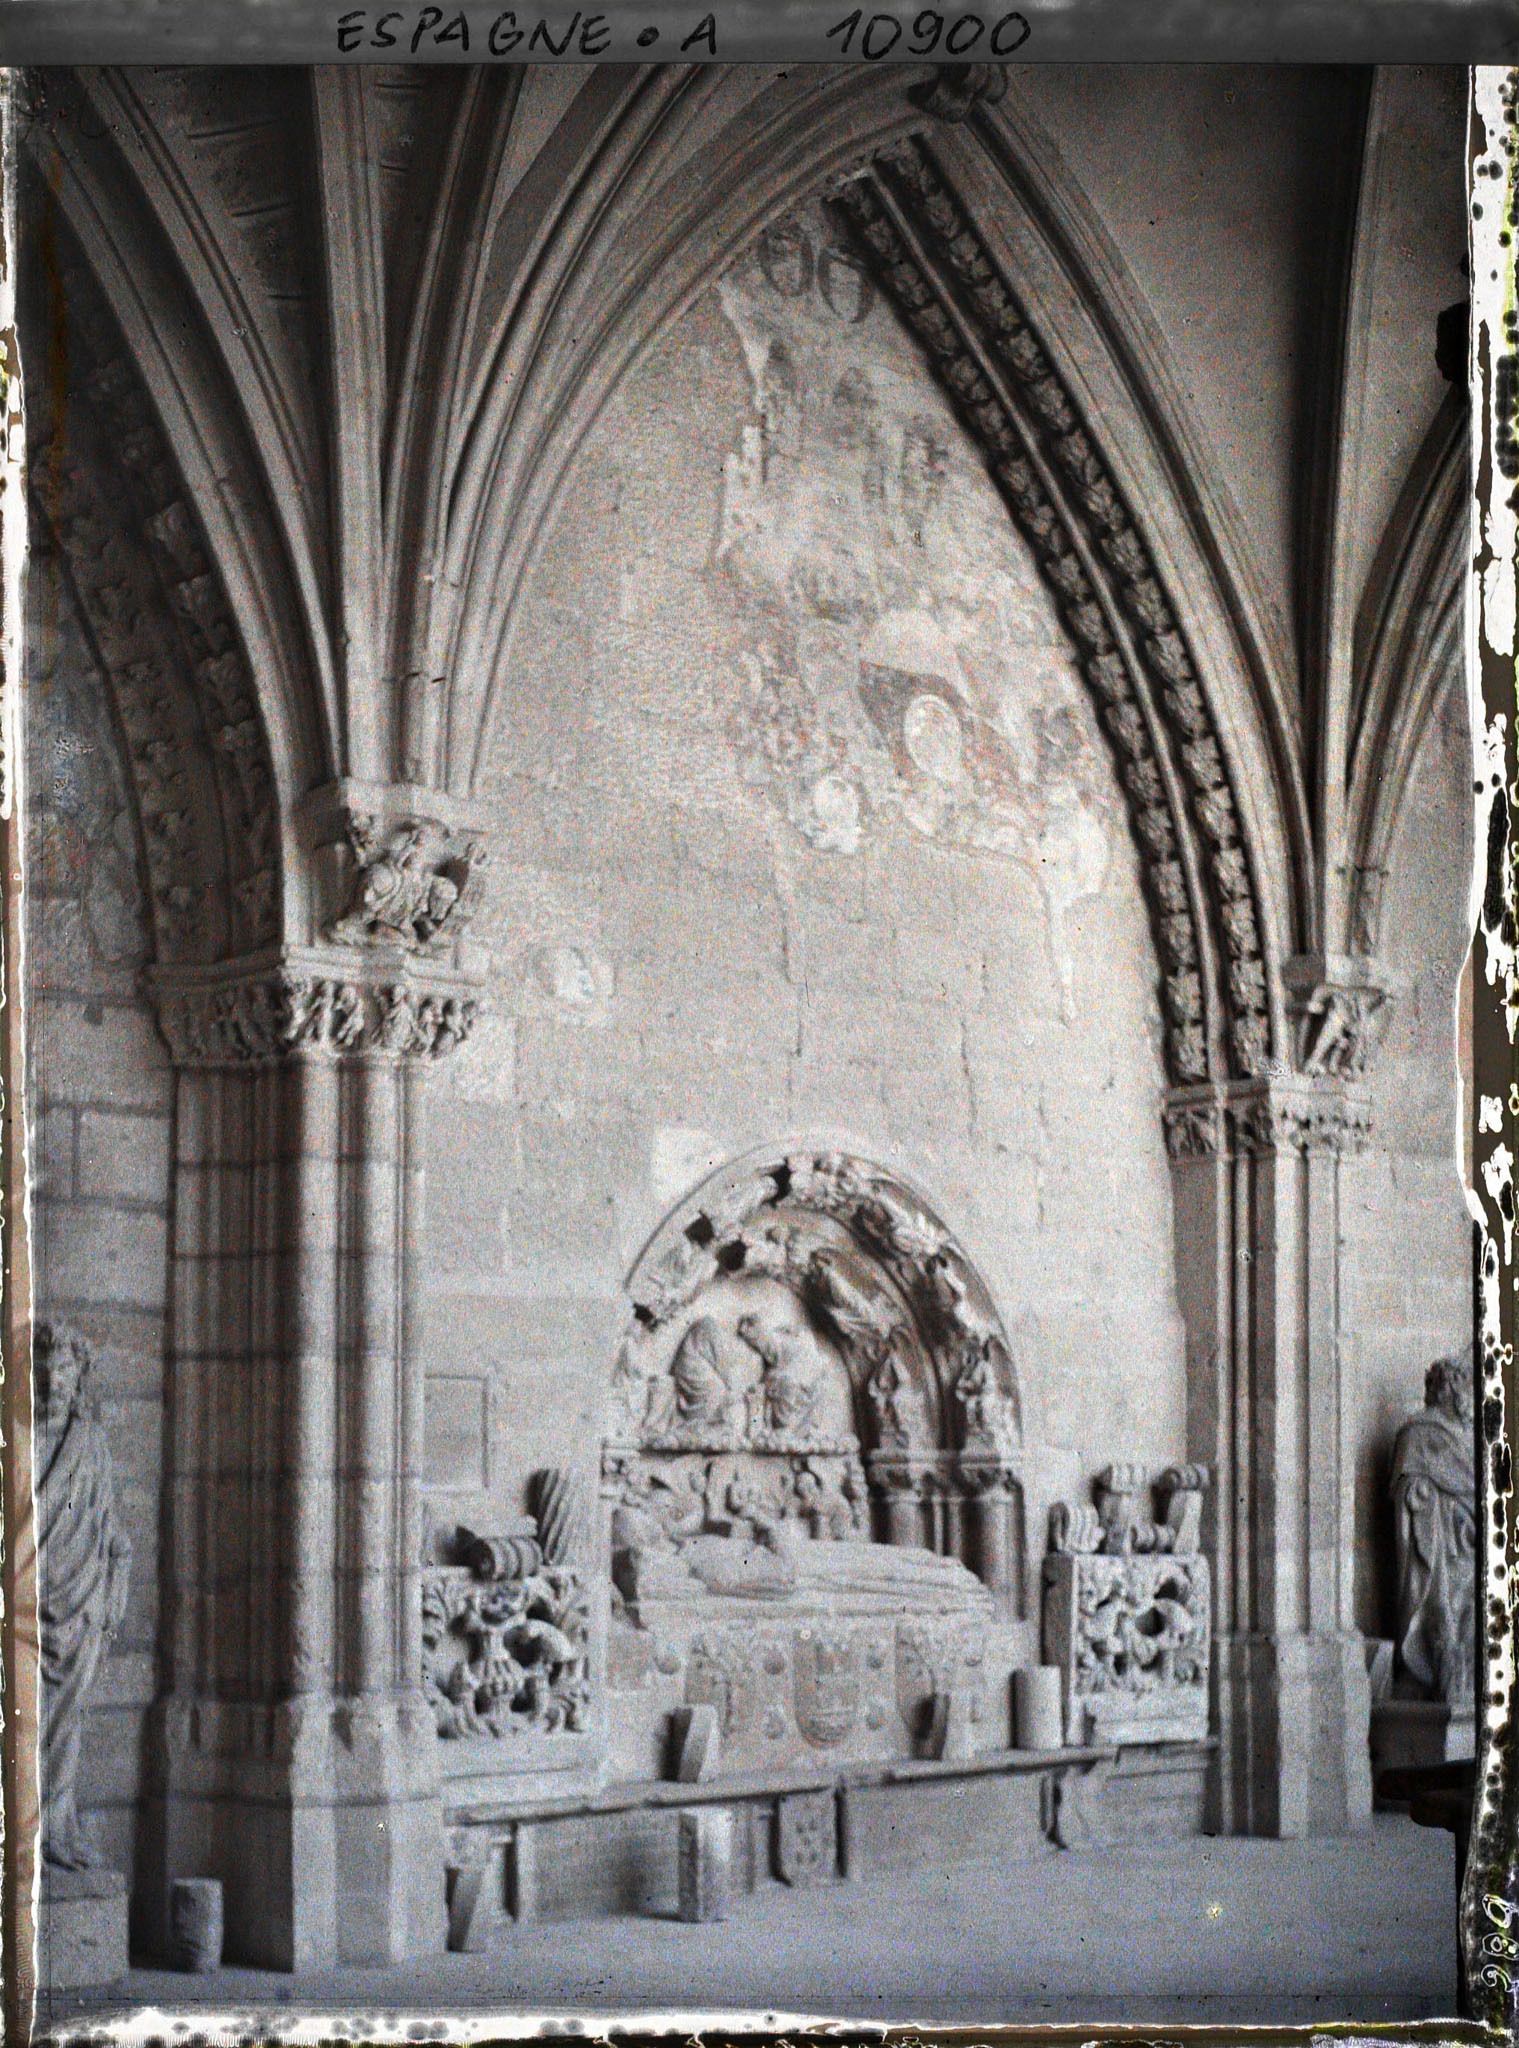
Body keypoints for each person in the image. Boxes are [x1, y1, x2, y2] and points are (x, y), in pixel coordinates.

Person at [34, 1323, 132, 1870]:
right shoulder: (15, 1440)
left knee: (67, 1726)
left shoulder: (89, 1444)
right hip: (27, 1606)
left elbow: (108, 1523)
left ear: (79, 1379)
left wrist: (117, 1577)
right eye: (44, 1371)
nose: (53, 1381)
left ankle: (58, 1828)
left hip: (81, 1603)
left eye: (64, 1371)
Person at [1390, 1345, 1477, 1705]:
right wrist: (1423, 1494)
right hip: (1439, 1547)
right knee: (1440, 1609)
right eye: (1466, 1390)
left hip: (1465, 1542)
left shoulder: (1463, 1435)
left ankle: (1465, 1677)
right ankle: (1438, 1674)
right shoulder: (1419, 1432)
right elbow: (1407, 1486)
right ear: (1453, 1390)